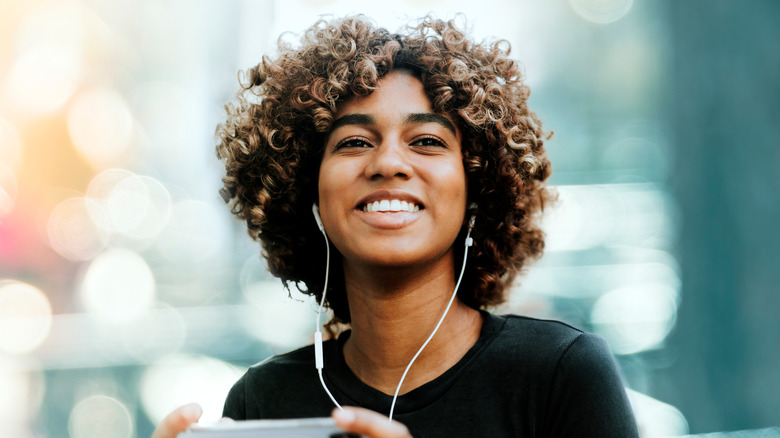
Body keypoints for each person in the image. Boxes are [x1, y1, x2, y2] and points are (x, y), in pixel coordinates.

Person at [153, 15, 639, 438]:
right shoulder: (261, 401)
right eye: (354, 143)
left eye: (426, 140)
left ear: (477, 188)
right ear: (307, 191)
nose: (388, 162)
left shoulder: (561, 374)